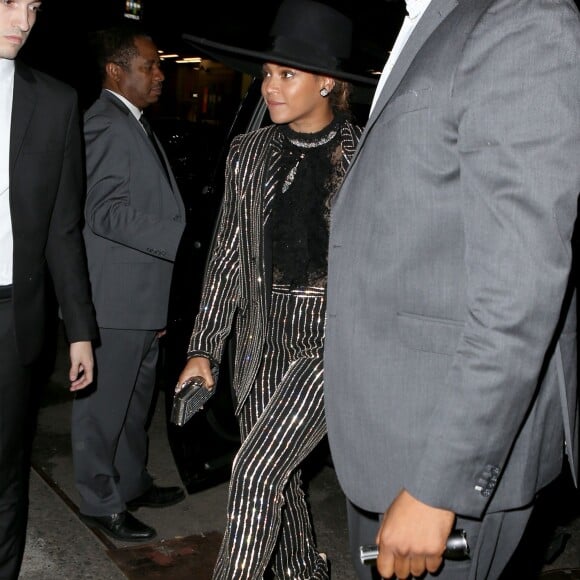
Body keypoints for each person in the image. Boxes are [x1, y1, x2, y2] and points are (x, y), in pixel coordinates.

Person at [323, 0, 580, 578]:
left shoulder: (523, 18)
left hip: (441, 456)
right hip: (395, 428)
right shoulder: (434, 20)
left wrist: (441, 485)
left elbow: (520, 290)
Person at [177, 1, 376, 577]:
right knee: (278, 479)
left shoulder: (368, 157)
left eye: (287, 74)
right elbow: (227, 260)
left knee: (256, 470)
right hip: (262, 340)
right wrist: (204, 347)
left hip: (330, 342)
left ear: (328, 83)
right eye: (267, 72)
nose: (270, 85)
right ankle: (303, 572)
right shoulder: (249, 155)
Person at [72, 25, 186, 543]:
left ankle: (132, 483)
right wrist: (178, 235)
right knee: (103, 411)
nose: (160, 74)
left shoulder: (134, 122)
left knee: (134, 408)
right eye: (150, 66)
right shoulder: (105, 123)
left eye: (160, 65)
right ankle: (99, 501)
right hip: (113, 303)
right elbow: (103, 213)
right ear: (117, 71)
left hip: (141, 303)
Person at [0, 0, 99, 577]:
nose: (23, 20)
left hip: (14, 314)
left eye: (33, 5)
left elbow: (65, 227)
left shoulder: (56, 100)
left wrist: (80, 331)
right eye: (9, 2)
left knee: (6, 465)